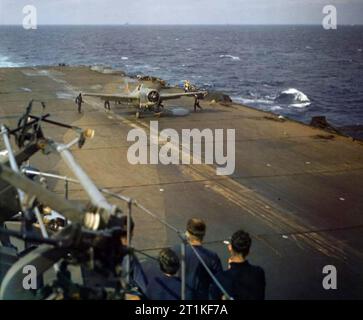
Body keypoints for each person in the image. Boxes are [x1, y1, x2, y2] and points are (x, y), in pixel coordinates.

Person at [173, 218, 222, 300]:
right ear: (203, 234)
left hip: (178, 295)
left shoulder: (176, 251)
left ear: (187, 233)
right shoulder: (212, 257)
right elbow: (219, 282)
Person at [209, 229, 266, 300]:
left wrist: (230, 272)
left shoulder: (221, 279)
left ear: (230, 248)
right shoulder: (259, 273)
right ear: (248, 251)